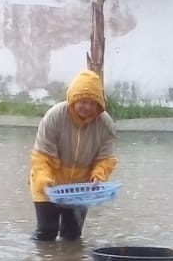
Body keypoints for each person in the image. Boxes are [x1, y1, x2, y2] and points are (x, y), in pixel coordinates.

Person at [28, 69, 118, 241]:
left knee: (72, 237)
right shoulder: (55, 116)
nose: (88, 107)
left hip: (80, 189)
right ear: (73, 99)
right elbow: (41, 157)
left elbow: (106, 158)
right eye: (83, 102)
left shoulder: (105, 123)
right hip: (48, 183)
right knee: (46, 232)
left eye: (93, 103)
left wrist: (99, 175)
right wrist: (45, 180)